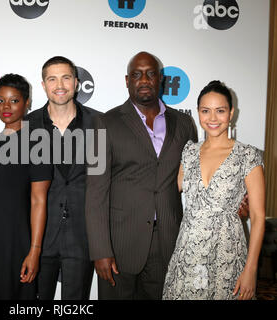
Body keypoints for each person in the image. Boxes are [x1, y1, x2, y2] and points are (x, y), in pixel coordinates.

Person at [85, 51, 198, 300]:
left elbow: (196, 179)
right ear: (127, 81)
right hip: (119, 244)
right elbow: (95, 191)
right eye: (136, 74)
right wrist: (100, 250)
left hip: (167, 242)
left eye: (150, 73)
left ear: (161, 79)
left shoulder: (184, 124)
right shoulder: (105, 123)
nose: (144, 79)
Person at [162, 80, 265, 300]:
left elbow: (257, 216)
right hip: (189, 253)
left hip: (227, 252)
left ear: (231, 113)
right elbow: (169, 188)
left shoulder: (248, 156)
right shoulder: (188, 151)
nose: (212, 118)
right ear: (198, 112)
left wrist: (251, 270)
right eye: (205, 111)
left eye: (220, 111)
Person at [25, 56, 99, 299]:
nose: (60, 84)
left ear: (77, 83)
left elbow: (104, 183)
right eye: (52, 78)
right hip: (38, 237)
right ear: (44, 84)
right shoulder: (26, 125)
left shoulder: (98, 123)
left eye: (66, 77)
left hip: (82, 236)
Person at [0, 74, 52, 299]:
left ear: (27, 102)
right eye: (0, 100)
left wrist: (34, 251)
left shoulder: (38, 141)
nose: (6, 106)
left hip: (19, 240)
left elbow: (39, 200)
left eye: (14, 100)